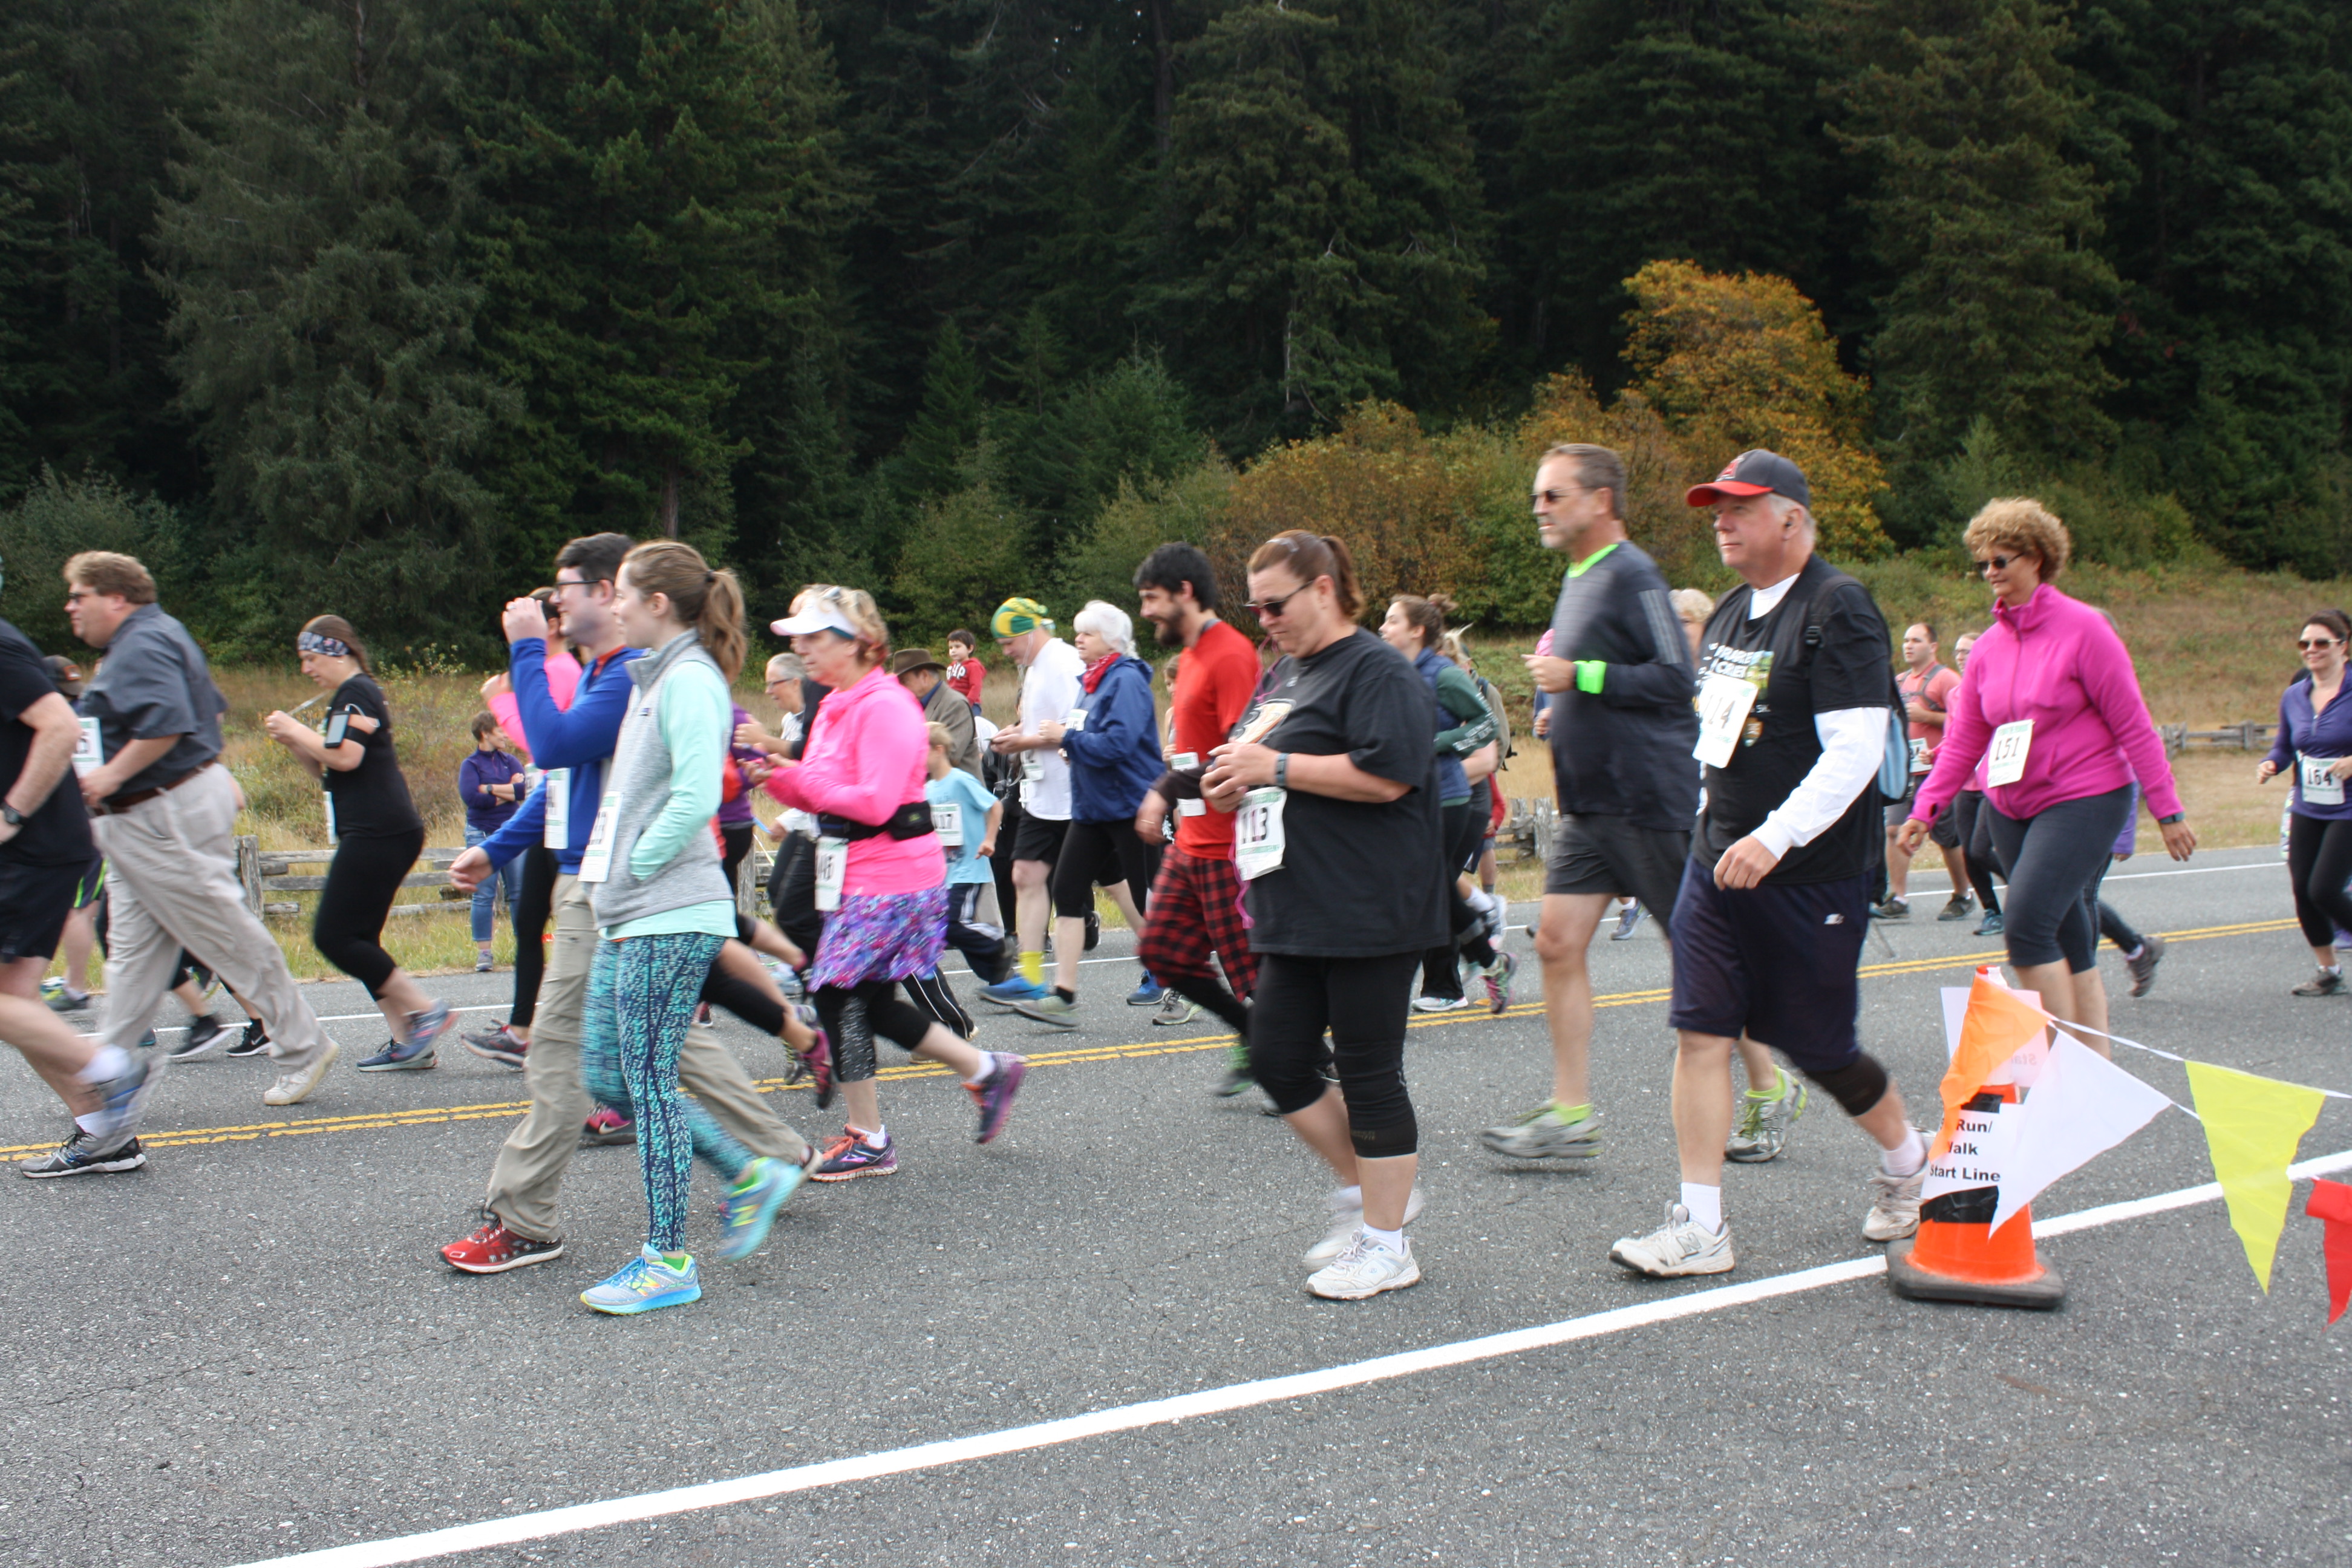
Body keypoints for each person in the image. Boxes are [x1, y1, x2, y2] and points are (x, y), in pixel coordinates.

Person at [440, 534, 811, 1276]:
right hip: (609, 891)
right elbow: (565, 782)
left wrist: (523, 653)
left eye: (568, 587)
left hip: (629, 893)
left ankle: (538, 1222)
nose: (555, 602)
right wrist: (501, 847)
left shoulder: (641, 680)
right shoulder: (631, 675)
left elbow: (554, 747)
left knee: (564, 1057)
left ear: (623, 595)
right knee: (638, 1060)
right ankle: (767, 1159)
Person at [1610, 451, 1927, 1279]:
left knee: (1818, 1048)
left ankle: (1908, 1164)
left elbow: (1855, 751)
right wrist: (1711, 824)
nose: (1721, 521)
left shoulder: (1839, 608)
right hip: (1717, 863)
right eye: (1716, 508)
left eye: (1739, 508)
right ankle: (1701, 1224)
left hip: (1806, 874)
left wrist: (1775, 837)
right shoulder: (1727, 614)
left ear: (1791, 518)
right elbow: (1719, 739)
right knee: (1701, 1030)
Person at [1487, 445, 1798, 1167]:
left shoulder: (1634, 575)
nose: (1540, 507)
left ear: (1600, 500)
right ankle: (1570, 1113)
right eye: (1538, 495)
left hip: (1647, 798)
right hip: (1593, 806)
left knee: (1694, 954)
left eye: (1554, 495)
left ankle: (1769, 1081)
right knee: (1558, 943)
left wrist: (1579, 675)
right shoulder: (1577, 577)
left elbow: (1673, 676)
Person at [563, 541, 819, 1316]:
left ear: (657, 605)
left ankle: (667, 1259)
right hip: (632, 914)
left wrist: (635, 867)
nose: (612, 605)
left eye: (625, 596)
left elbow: (696, 792)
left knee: (647, 1079)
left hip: (667, 913)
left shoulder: (690, 682)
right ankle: (750, 1173)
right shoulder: (650, 678)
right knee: (609, 1078)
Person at [1200, 531, 1446, 1299]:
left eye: (1276, 604)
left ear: (1324, 590)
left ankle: (1386, 1242)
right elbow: (1250, 756)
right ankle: (1372, 1200)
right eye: (1255, 606)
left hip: (1370, 904)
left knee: (1371, 1074)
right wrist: (1226, 782)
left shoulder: (1377, 670)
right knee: (1276, 1056)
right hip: (1295, 901)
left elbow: (1389, 776)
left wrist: (1272, 766)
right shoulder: (1284, 675)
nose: (1264, 618)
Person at [1904, 498, 2195, 1049]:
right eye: (1984, 564)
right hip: (2012, 805)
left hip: (2086, 797)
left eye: (2002, 561)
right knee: (2067, 933)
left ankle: (2063, 1064)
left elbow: (2134, 725)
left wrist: (2167, 809)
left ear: (2036, 558)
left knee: (2027, 926)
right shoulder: (1988, 648)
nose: (1990, 574)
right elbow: (1967, 737)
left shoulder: (2084, 630)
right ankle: (2096, 1063)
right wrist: (1926, 808)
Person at [759, 585, 1028, 1181]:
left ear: (854, 642)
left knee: (837, 994)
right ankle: (985, 1072)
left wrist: (795, 780)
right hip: (858, 870)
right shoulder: (835, 702)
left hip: (893, 876)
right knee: (869, 1000)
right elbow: (819, 787)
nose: (799, 646)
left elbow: (877, 802)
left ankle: (873, 1137)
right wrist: (773, 775)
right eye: (796, 636)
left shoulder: (884, 705)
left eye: (812, 636)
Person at [66, 550, 339, 1108]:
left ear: (115, 597)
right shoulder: (160, 635)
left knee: (225, 932)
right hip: (155, 810)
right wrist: (209, 771)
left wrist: (104, 780)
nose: (71, 607)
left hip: (158, 811)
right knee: (133, 951)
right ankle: (112, 1069)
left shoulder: (141, 644)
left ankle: (304, 1042)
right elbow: (207, 713)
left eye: (79, 595)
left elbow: (166, 724)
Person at [0, 590, 163, 1176]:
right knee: (13, 1005)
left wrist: (13, 814)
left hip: (34, 847)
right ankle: (104, 1133)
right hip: (34, 848)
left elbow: (60, 728)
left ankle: (112, 1069)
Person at [260, 616, 449, 1071]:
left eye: (311, 658)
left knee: (335, 936)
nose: (307, 669)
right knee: (361, 937)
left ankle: (425, 1010)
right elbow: (332, 773)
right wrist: (295, 742)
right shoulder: (348, 698)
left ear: (337, 650)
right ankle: (408, 1040)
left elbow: (348, 756)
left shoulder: (357, 692)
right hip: (374, 827)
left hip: (380, 830)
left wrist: (295, 728)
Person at [1131, 543, 1266, 1091]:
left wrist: (1164, 787)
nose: (1146, 613)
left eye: (1151, 600)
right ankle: (1257, 1035)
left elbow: (1244, 751)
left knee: (1251, 975)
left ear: (1185, 592)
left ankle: (1309, 1063)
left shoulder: (1230, 654)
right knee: (1162, 952)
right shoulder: (1188, 657)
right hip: (1191, 841)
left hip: (1228, 846)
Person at [1019, 600, 1165, 1028]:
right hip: (1091, 807)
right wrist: (1071, 746)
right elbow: (1089, 736)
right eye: (1078, 632)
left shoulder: (1127, 682)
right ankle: (1063, 994)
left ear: (1113, 641)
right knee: (1066, 890)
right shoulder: (1091, 681)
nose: (1078, 639)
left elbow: (1118, 745)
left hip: (1128, 806)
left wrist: (1069, 738)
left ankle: (1177, 977)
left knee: (1148, 896)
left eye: (1089, 633)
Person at [1376, 593, 1509, 1015]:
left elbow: (1486, 725)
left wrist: (1439, 743)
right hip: (1405, 799)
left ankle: (1472, 961)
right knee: (1427, 888)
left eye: (1392, 620)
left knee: (1424, 887)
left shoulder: (1445, 675)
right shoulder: (1393, 672)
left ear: (1417, 630)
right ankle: (1489, 958)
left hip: (1447, 798)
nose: (1383, 628)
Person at [463, 587, 580, 1067]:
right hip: (551, 806)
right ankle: (522, 1029)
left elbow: (545, 744)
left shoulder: (562, 670)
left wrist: (499, 704)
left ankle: (538, 1032)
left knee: (557, 925)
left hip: (570, 810)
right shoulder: (555, 668)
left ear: (551, 625)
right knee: (530, 919)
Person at [979, 598, 1085, 1008]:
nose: (1005, 652)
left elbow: (1072, 728)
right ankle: (1031, 974)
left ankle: (1160, 970)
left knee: (1115, 885)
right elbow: (1038, 723)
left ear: (1028, 631)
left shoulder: (1062, 661)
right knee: (1024, 874)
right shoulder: (1037, 666)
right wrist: (1015, 733)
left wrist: (1022, 741)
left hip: (1074, 796)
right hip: (1041, 797)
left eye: (1008, 642)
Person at [2258, 608, 2352, 995]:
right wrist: (2271, 763)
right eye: (2305, 644)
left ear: (2343, 647)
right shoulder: (2295, 696)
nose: (2311, 650)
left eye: (2321, 643)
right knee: (2302, 889)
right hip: (2308, 806)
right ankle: (2328, 972)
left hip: (2349, 809)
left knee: (2325, 889)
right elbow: (2285, 746)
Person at [1874, 622, 1968, 921]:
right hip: (1905, 770)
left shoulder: (1946, 679)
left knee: (1946, 835)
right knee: (1893, 830)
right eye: (1906, 640)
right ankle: (1898, 897)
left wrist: (1928, 716)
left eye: (1916, 640)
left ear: (1933, 646)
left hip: (1938, 769)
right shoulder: (1899, 681)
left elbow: (1966, 722)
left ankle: (1963, 894)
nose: (1909, 645)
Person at [918, 719, 1005, 1031]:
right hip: (943, 873)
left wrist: (989, 839)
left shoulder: (959, 781)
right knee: (947, 930)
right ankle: (998, 976)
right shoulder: (927, 789)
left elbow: (994, 806)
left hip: (969, 867)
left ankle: (998, 942)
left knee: (953, 923)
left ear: (938, 750)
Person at [1944, 630, 2005, 936]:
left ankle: (2030, 892)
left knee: (1982, 850)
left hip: (1994, 782)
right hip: (1966, 785)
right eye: (1958, 651)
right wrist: (1938, 753)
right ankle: (1993, 911)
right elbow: (1955, 738)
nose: (1961, 657)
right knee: (1969, 853)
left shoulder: (1997, 688)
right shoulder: (1955, 695)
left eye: (1968, 651)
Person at [460, 710, 526, 974]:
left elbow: (523, 790)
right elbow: (472, 799)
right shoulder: (471, 765)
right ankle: (484, 953)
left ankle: (525, 947)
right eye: (501, 731)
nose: (506, 735)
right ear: (485, 733)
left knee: (518, 893)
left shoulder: (511, 762)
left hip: (511, 833)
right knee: (484, 894)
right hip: (481, 834)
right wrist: (506, 792)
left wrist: (488, 788)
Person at [892, 648, 982, 780]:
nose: (900, 688)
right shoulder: (913, 706)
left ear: (924, 676)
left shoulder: (955, 704)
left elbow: (948, 757)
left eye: (905, 682)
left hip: (959, 797)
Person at [946, 629, 985, 714]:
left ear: (970, 649)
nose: (953, 650)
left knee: (971, 725)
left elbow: (976, 686)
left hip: (971, 705)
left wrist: (968, 702)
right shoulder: (951, 667)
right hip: (954, 705)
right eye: (951, 648)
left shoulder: (973, 666)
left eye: (957, 647)